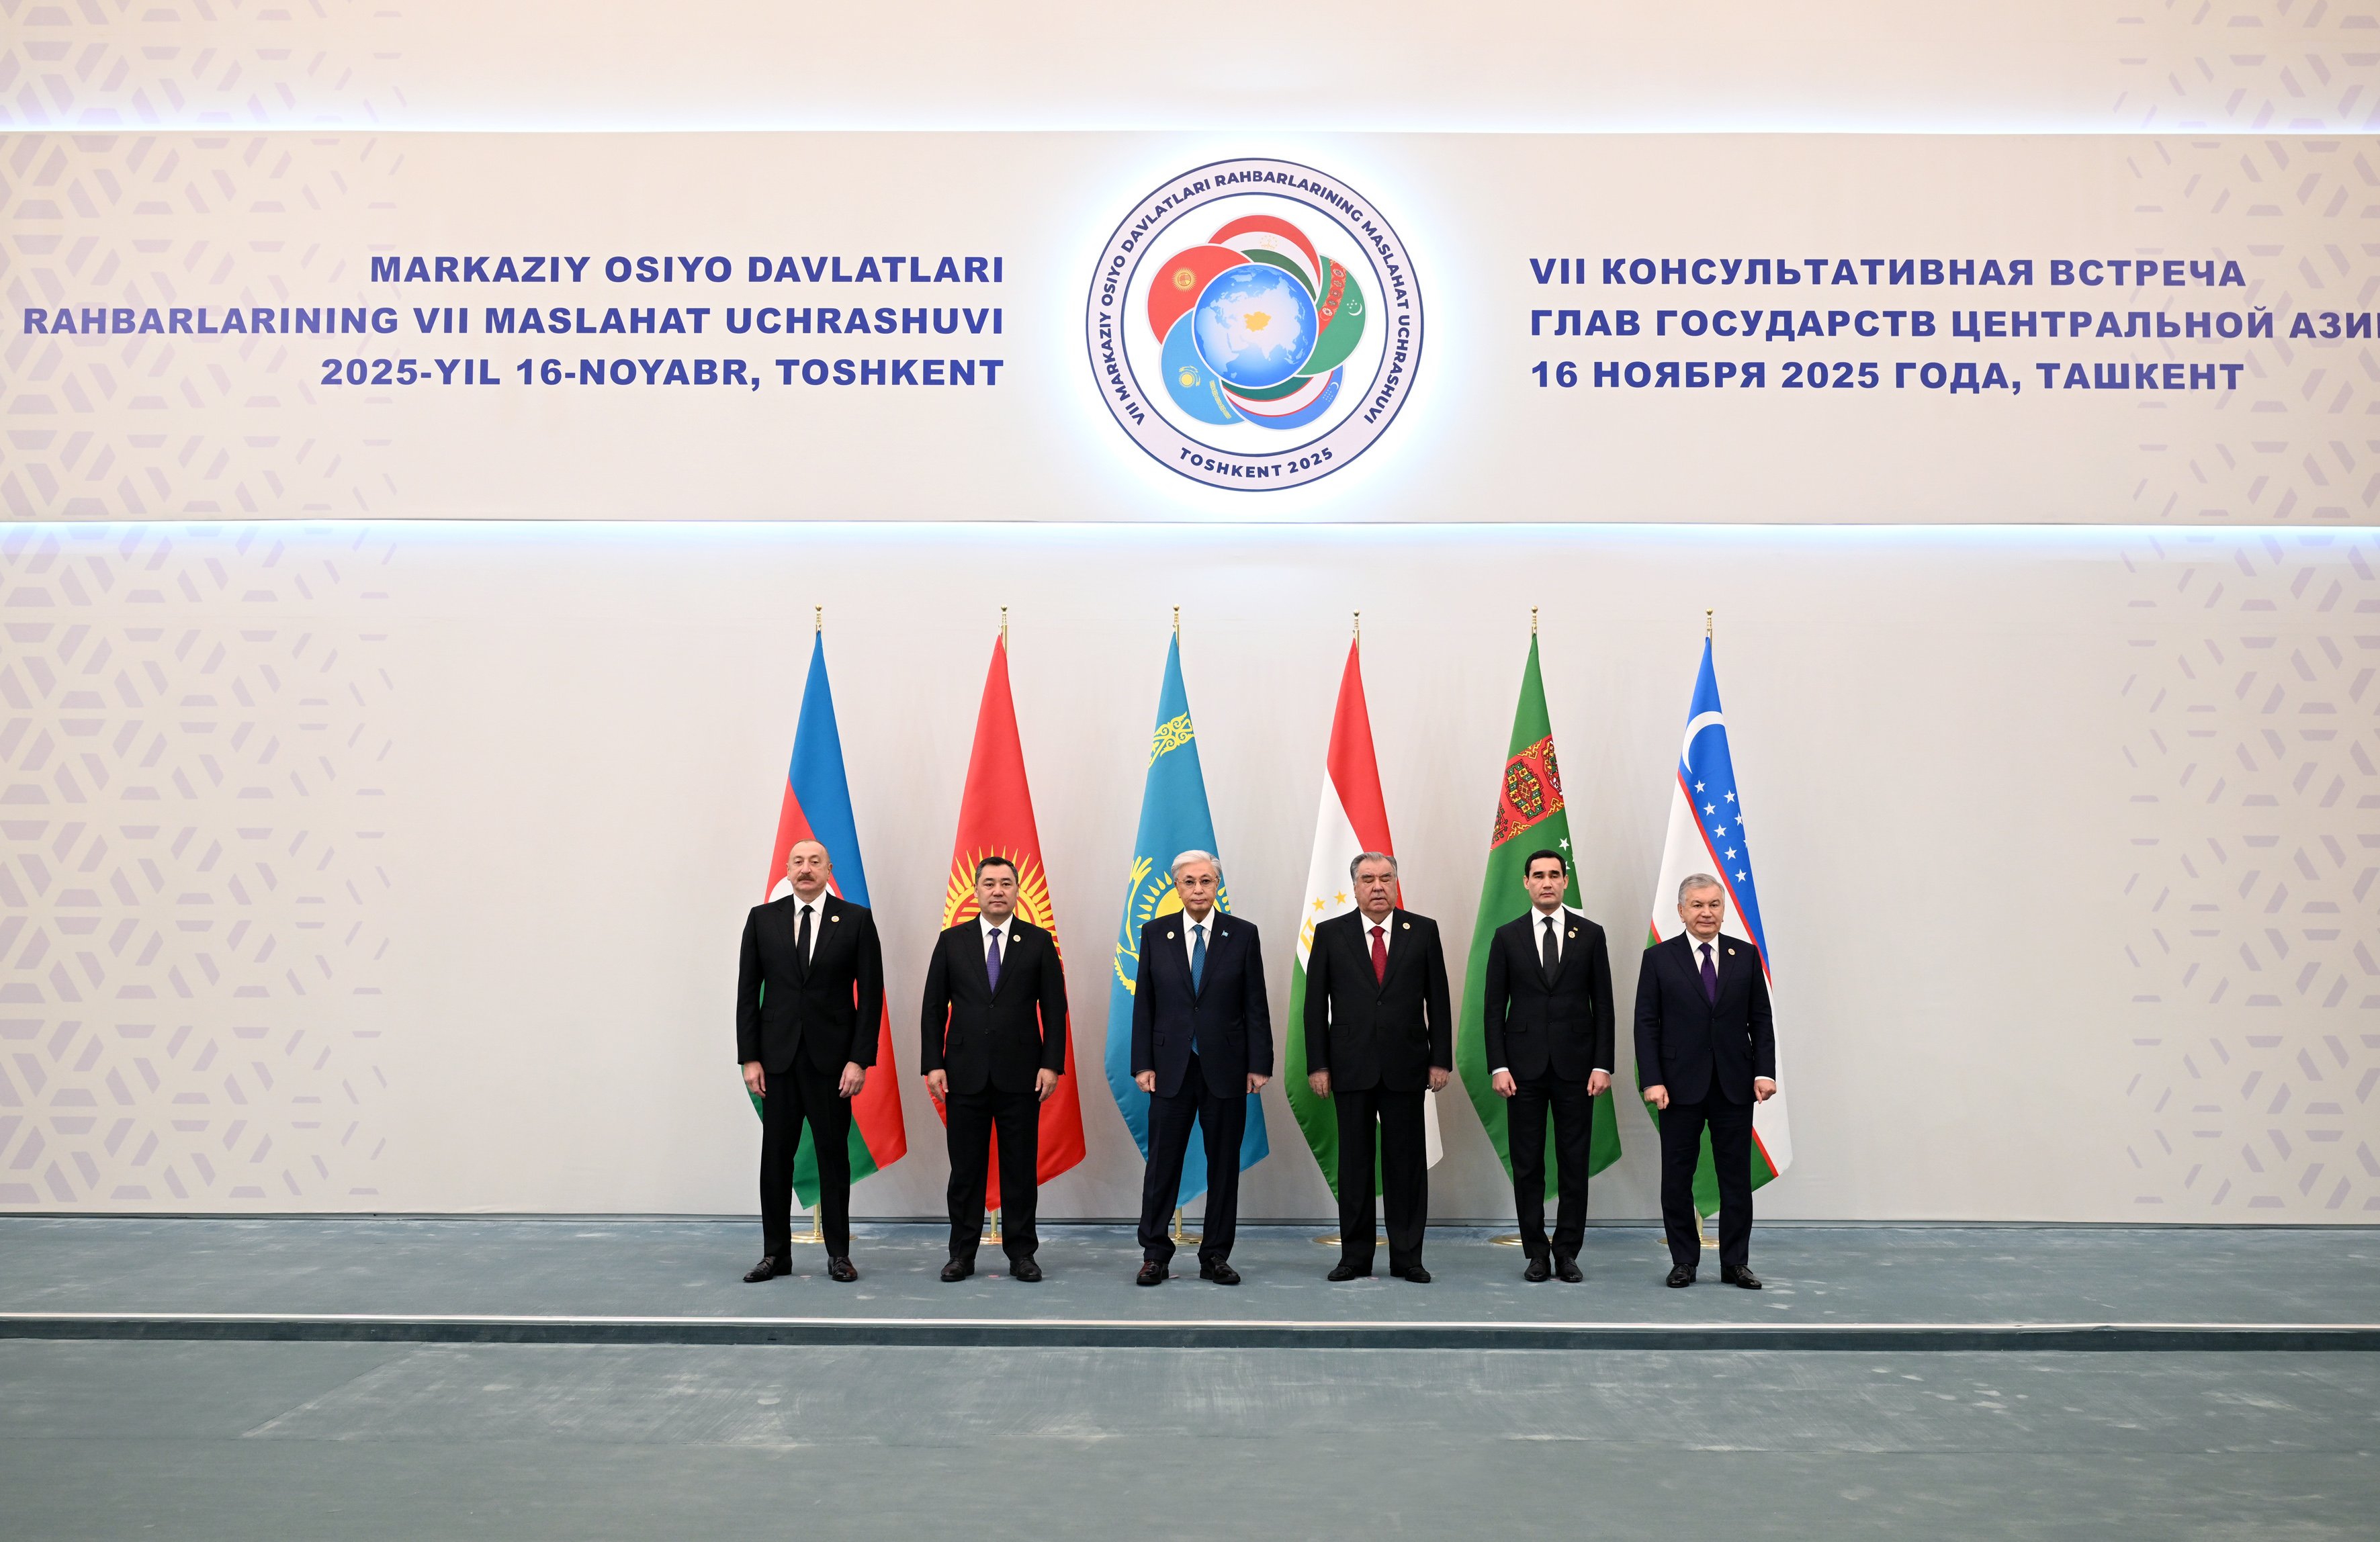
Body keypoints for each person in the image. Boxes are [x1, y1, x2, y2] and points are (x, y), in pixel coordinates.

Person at [736, 839, 885, 1284]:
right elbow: (747, 993)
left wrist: (859, 1060)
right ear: (787, 869)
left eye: (815, 862)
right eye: (798, 862)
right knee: (775, 1160)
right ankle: (775, 1254)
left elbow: (871, 997)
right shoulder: (762, 919)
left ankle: (839, 1255)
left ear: (828, 869)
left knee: (832, 1159)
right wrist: (749, 1058)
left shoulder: (855, 920)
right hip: (776, 1062)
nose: (806, 869)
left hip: (833, 1065)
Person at [1303, 851, 1452, 1283]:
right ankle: (1355, 1257)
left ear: (1396, 883)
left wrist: (1440, 1058)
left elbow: (1439, 1000)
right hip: (1349, 1066)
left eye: (1386, 878)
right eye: (1368, 879)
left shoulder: (1422, 930)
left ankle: (1408, 1258)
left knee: (1407, 1166)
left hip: (1408, 1065)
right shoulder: (1331, 933)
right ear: (1354, 887)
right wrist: (1318, 1065)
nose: (1378, 886)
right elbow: (1315, 1007)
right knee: (1355, 1166)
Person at [920, 855, 1068, 1282]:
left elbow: (1054, 1010)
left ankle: (1022, 1254)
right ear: (976, 891)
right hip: (962, 1073)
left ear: (1017, 890)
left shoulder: (1038, 941)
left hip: (1022, 1074)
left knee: (1019, 1170)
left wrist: (1051, 1065)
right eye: (989, 883)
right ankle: (961, 1255)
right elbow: (933, 1008)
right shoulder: (952, 941)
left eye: (1006, 883)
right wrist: (933, 1063)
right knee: (965, 1171)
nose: (998, 890)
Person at [1129, 850, 1272, 1287]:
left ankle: (1215, 1256)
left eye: (1206, 881)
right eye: (1189, 882)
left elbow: (1255, 1004)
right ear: (1177, 887)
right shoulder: (1155, 933)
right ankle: (1155, 1254)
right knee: (1162, 1166)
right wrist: (1142, 1063)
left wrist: (1259, 1063)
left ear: (1217, 885)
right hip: (1169, 1067)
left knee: (1223, 1167)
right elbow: (1145, 1003)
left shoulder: (1242, 934)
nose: (1198, 889)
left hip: (1226, 1068)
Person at [1634, 874, 1777, 1289]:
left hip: (1735, 1084)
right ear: (1681, 911)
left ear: (1723, 910)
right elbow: (1646, 1024)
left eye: (1714, 904)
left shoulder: (1745, 956)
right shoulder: (1659, 958)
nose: (1706, 913)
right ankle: (1684, 1260)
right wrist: (1652, 1079)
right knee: (1677, 1177)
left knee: (1736, 1178)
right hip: (1677, 1087)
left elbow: (1761, 1020)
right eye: (1697, 905)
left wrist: (1764, 1072)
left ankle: (1735, 1263)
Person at [1482, 848, 1614, 1283]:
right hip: (1522, 1071)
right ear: (1526, 883)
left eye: (1554, 875)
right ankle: (1536, 1253)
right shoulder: (1507, 936)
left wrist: (1602, 1064)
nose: (1546, 882)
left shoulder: (1590, 935)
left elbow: (1604, 1005)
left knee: (1574, 1164)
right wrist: (1498, 1066)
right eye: (1538, 875)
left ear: (1565, 881)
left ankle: (1568, 1252)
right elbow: (1492, 1008)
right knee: (1528, 1166)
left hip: (1578, 1068)